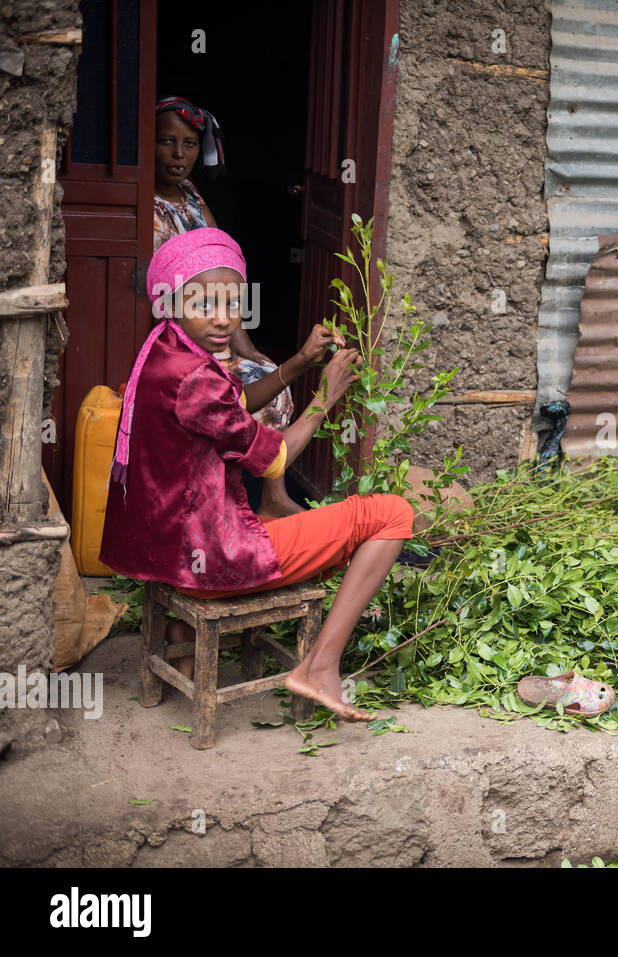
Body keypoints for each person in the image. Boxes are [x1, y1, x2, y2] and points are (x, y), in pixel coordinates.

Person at [100, 228, 414, 722]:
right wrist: (325, 395)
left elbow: (231, 410)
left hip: (171, 549)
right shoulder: (196, 376)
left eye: (233, 303)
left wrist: (296, 365)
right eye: (205, 304)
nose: (224, 319)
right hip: (212, 557)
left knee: (287, 514)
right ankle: (319, 668)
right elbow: (274, 460)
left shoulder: (166, 350)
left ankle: (186, 639)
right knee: (393, 513)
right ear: (172, 301)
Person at [153, 95, 301, 518]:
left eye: (189, 144)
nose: (179, 154)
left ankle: (271, 497)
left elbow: (223, 264)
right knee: (231, 394)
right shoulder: (141, 202)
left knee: (270, 376)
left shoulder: (191, 196)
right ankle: (214, 502)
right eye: (166, 141)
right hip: (176, 338)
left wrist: (244, 343)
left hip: (212, 327)